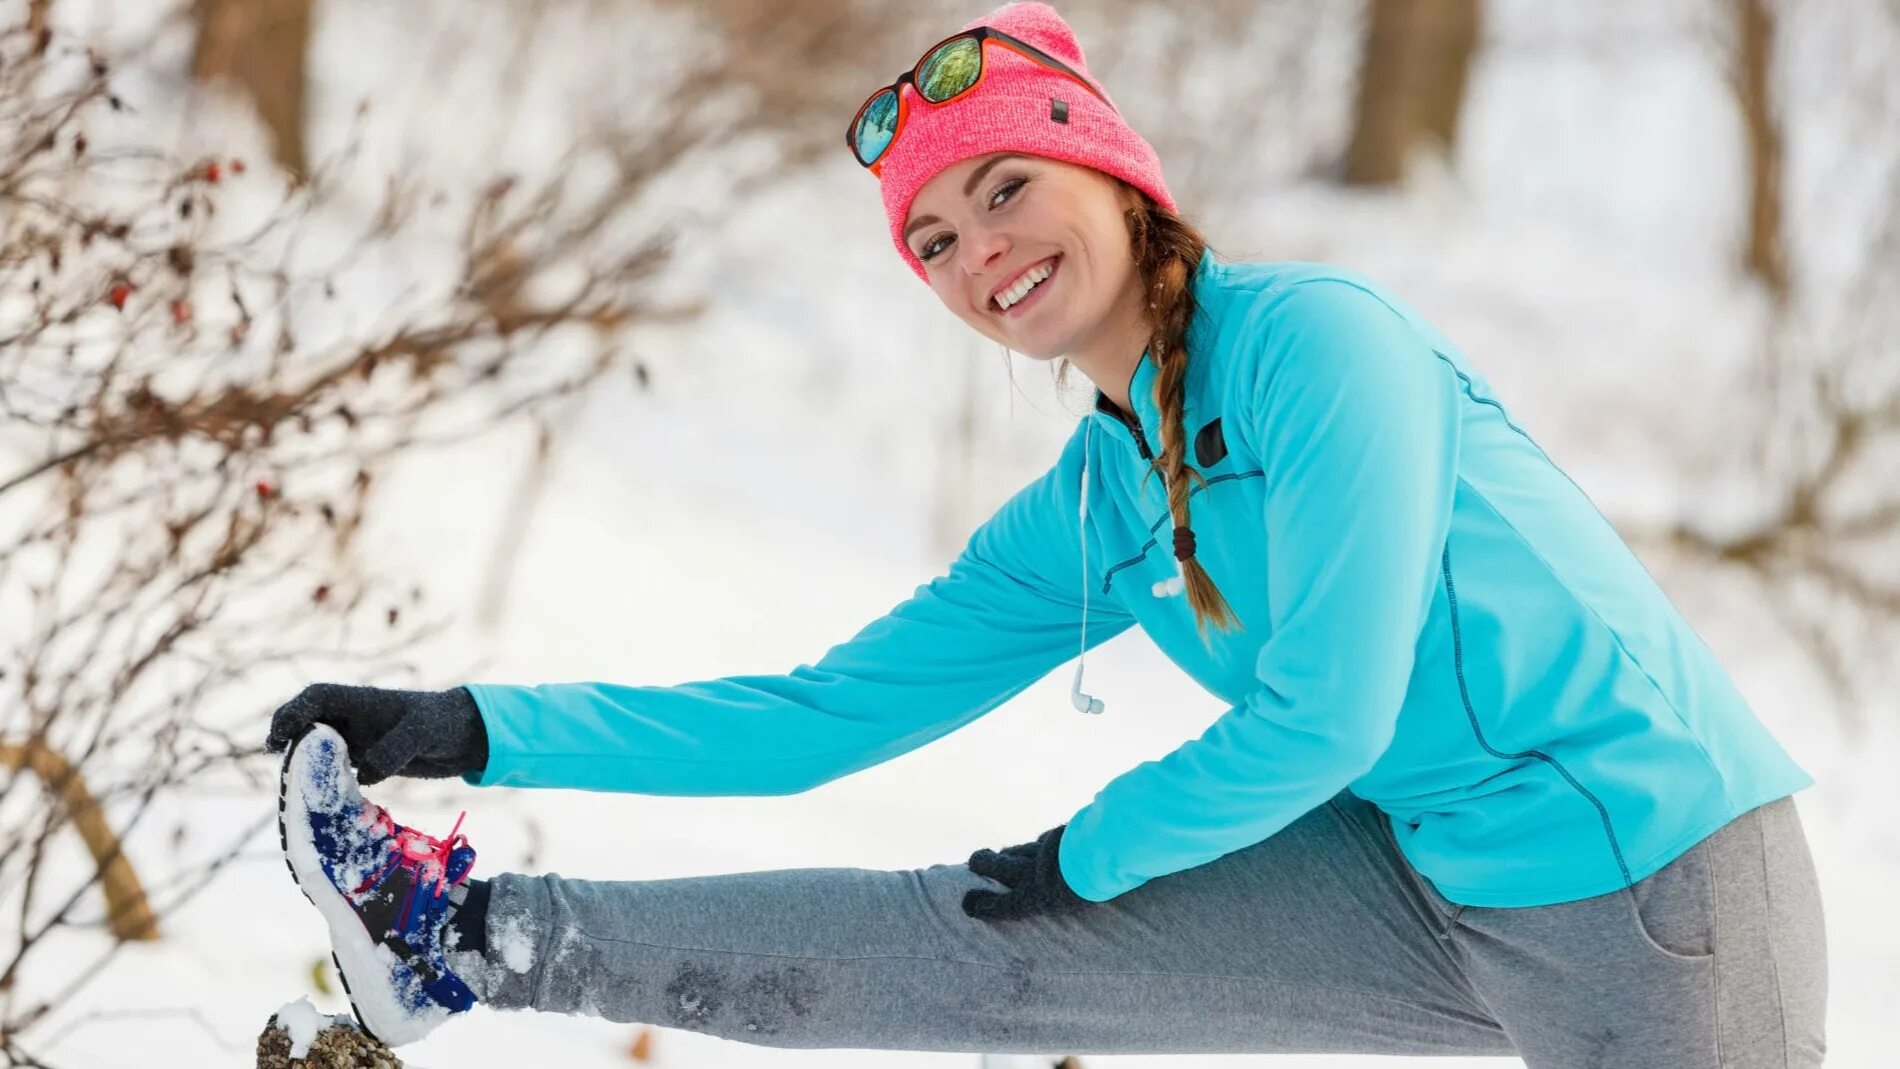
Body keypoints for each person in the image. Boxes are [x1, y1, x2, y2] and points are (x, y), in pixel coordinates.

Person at [265, 3, 1828, 1064]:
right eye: (934, 241)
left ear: (1114, 171)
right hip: (1428, 869)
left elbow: (1330, 709)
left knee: (1046, 890)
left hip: (1654, 879)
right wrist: (472, 727)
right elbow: (816, 719)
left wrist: (1088, 852)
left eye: (1006, 187)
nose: (977, 252)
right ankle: (458, 937)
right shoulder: (1093, 506)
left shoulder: (1318, 343)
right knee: (982, 940)